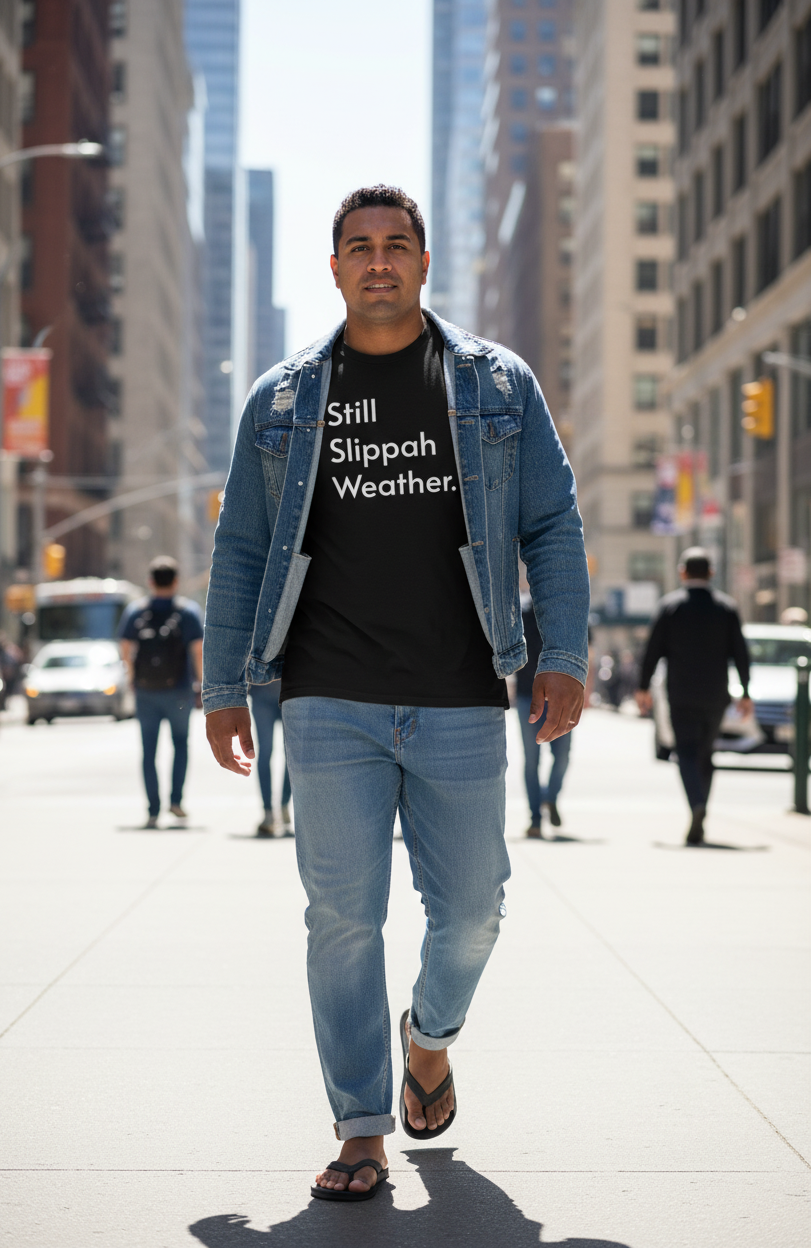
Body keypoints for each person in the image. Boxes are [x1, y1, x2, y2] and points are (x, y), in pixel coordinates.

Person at [202, 185, 589, 1201]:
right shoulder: (282, 401)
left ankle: (432, 1037)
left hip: (461, 689)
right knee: (341, 916)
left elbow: (551, 523)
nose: (378, 262)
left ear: (423, 263)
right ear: (333, 269)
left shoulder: (495, 385)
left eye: (396, 246)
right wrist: (224, 686)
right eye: (358, 248)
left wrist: (565, 652)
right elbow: (242, 549)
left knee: (472, 910)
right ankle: (362, 1127)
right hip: (325, 695)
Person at [636, 547, 751, 846]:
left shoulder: (670, 606)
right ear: (711, 573)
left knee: (685, 753)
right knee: (705, 754)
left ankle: (697, 805)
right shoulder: (726, 607)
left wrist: (643, 688)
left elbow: (651, 651)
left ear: (682, 572)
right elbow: (741, 652)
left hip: (681, 693)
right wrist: (746, 692)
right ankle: (701, 808)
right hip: (715, 695)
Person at [119, 556, 204, 829]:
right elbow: (197, 651)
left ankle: (153, 809)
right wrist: (200, 683)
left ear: (150, 581)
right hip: (179, 690)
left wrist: (132, 678)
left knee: (148, 751)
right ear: (176, 582)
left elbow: (125, 648)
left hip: (146, 691)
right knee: (181, 745)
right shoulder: (188, 612)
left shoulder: (136, 611)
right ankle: (176, 801)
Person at [515, 595, 573, 837]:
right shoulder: (520, 611)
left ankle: (550, 798)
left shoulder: (565, 608)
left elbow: (583, 648)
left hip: (560, 696)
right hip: (527, 696)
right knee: (532, 761)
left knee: (561, 757)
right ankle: (535, 818)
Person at [249, 681, 292, 836]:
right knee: (265, 752)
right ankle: (268, 810)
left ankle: (283, 805)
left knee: (290, 754)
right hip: (262, 694)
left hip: (289, 692)